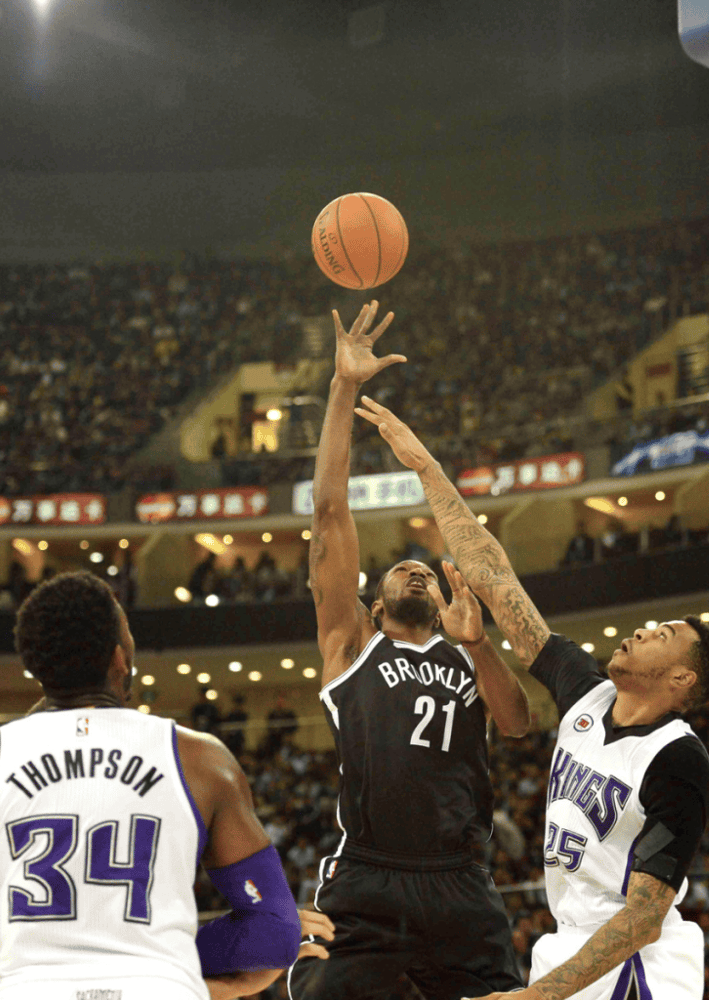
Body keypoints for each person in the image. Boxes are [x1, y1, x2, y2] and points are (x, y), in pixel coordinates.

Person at [356, 392, 709, 1000]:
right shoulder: (585, 692)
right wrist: (427, 467)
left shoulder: (677, 760)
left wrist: (535, 997)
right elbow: (494, 576)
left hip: (637, 962)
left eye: (661, 636)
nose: (640, 631)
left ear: (682, 680)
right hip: (567, 943)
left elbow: (643, 917)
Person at [288, 302, 529, 1000]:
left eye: (424, 565)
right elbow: (330, 512)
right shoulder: (351, 646)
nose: (416, 567)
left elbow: (515, 723)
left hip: (460, 877)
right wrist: (343, 388)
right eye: (400, 569)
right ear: (372, 604)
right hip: (369, 873)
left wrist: (481, 647)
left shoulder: (463, 655)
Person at [0, 571, 330, 1000]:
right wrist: (167, 960)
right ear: (119, 658)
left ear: (36, 665)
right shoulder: (202, 761)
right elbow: (274, 930)